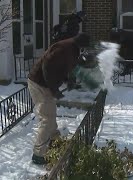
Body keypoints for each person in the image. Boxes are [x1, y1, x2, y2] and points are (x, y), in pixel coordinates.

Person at [28, 33, 90, 165]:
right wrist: (53, 89)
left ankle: (55, 143)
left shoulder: (72, 49)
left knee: (50, 115)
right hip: (39, 84)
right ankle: (38, 155)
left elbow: (61, 68)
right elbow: (47, 66)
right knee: (47, 119)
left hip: (45, 85)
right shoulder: (64, 49)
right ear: (81, 45)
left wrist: (68, 81)